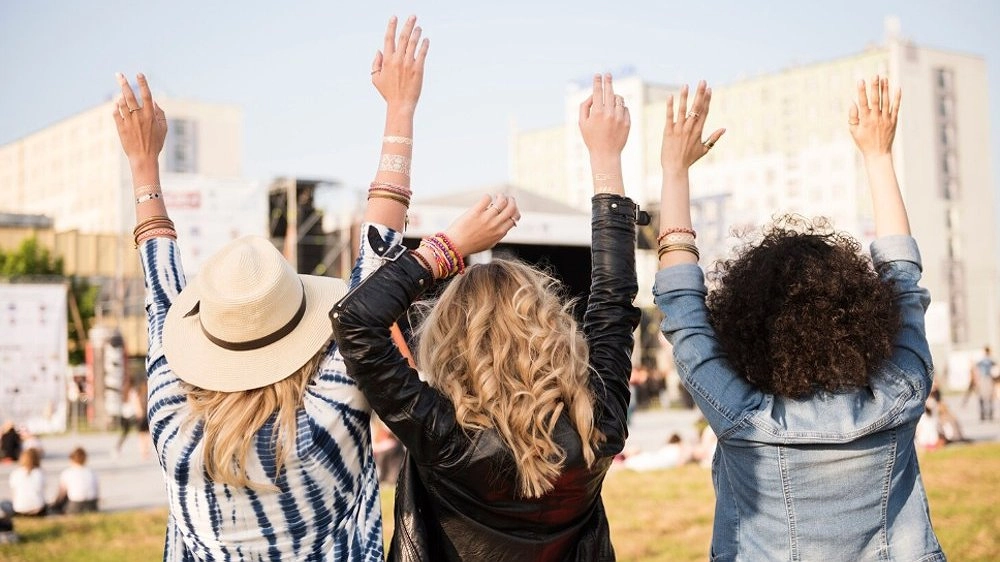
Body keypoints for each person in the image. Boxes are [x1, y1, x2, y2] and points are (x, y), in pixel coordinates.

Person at [332, 39, 642, 559]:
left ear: (450, 341)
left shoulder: (442, 436)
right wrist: (607, 163)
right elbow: (612, 304)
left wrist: (447, 249)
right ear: (551, 329)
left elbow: (357, 320)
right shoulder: (597, 425)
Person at [653, 77, 944, 560]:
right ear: (862, 313)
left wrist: (674, 172)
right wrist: (878, 156)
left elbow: (683, 308)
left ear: (747, 323)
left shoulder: (741, 417)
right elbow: (903, 281)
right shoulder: (903, 392)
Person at [113, 69, 382, 559]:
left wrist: (143, 165)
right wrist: (400, 112)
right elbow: (374, 277)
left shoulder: (175, 431)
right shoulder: (334, 414)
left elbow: (159, 295)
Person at [50, 447, 100, 514]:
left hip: (76, 505)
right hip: (92, 505)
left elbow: (61, 494)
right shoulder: (92, 472)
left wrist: (55, 504)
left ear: (71, 459)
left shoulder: (67, 473)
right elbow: (97, 493)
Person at [8, 448, 46, 516]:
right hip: (38, 509)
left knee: (5, 503)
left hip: (20, 509)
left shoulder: (16, 473)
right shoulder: (40, 473)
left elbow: (14, 494)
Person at [970, 346, 996, 420]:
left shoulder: (982, 361)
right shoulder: (991, 361)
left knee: (981, 397)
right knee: (989, 397)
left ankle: (983, 414)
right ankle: (990, 414)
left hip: (982, 379)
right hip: (989, 379)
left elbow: (975, 368)